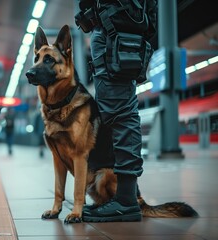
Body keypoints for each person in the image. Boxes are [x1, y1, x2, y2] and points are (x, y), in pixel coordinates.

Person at [75, 0, 157, 222]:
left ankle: (126, 200)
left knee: (121, 116)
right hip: (114, 29)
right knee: (116, 115)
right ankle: (124, 197)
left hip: (115, 31)